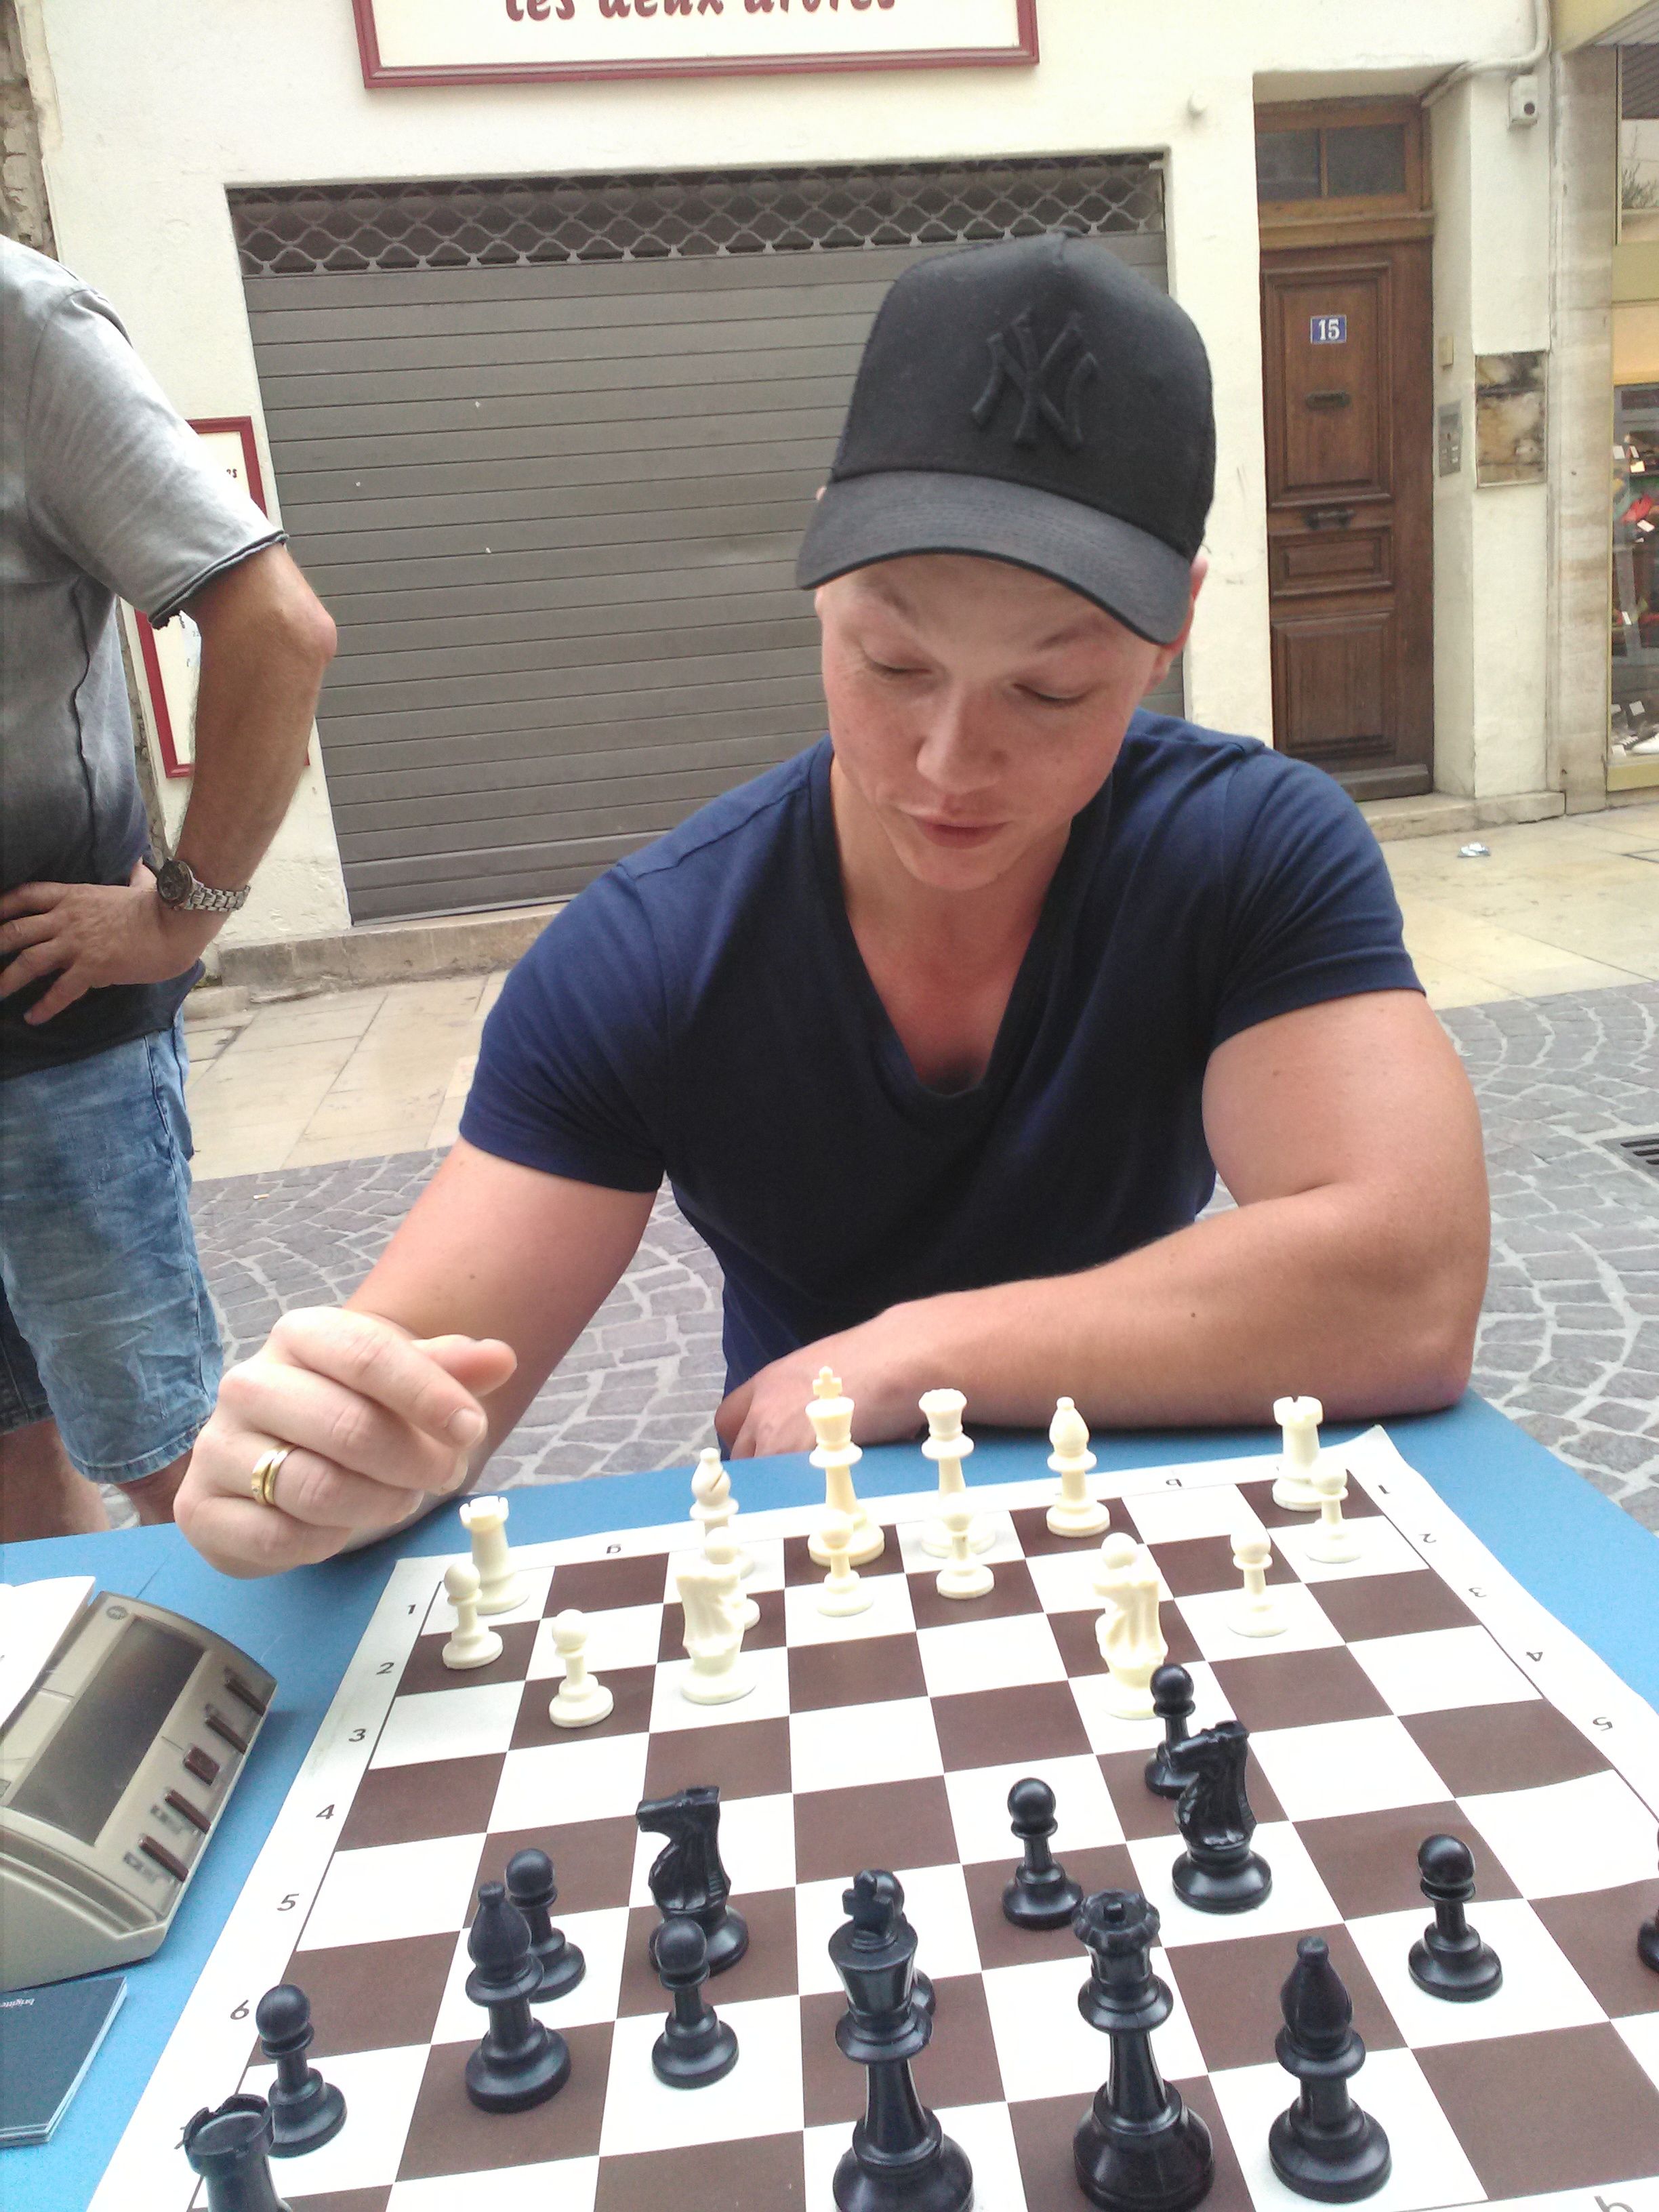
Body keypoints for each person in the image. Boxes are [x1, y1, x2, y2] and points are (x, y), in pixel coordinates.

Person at [175, 234, 1488, 1579]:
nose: (950, 763)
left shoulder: (1249, 850)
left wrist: (916, 1352)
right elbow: (418, 1399)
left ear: (1175, 631)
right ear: (820, 583)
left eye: (1051, 690)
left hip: (1141, 1535)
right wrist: (306, 1466)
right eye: (892, 662)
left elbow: (1407, 1286)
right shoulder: (654, 954)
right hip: (817, 1550)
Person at [0, 237, 337, 1543]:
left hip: (44, 1038)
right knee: (11, 1451)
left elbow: (278, 629)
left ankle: (310, 1669)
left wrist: (181, 914)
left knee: (173, 1467)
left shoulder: (23, 327)